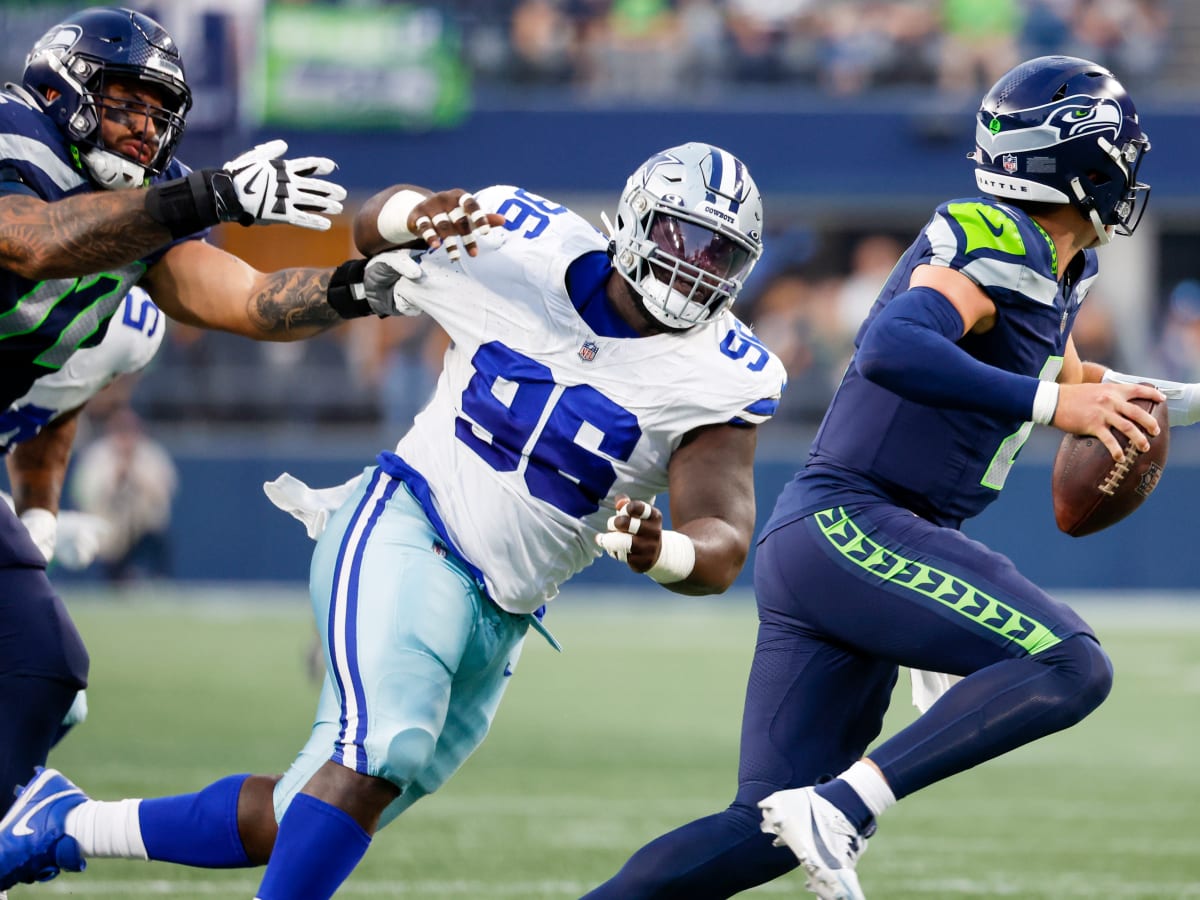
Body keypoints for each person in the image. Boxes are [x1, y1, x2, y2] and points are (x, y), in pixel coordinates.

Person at [0, 141, 786, 899]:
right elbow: (370, 225)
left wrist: (665, 549)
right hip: (409, 524)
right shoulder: (522, 240)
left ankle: (62, 822)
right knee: (381, 752)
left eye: (721, 254)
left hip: (504, 612)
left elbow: (722, 544)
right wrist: (419, 214)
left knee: (304, 812)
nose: (697, 266)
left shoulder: (719, 371)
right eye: (687, 238)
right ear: (635, 219)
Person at [582, 55, 1200, 900]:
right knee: (1071, 664)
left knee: (757, 830)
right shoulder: (992, 238)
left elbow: (1100, 393)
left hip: (834, 543)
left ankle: (804, 815)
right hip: (857, 526)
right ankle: (842, 807)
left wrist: (1142, 402)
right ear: (1078, 160)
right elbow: (896, 347)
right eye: (1121, 147)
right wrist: (1054, 409)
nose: (1133, 165)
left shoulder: (1051, 269)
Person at [0, 3, 459, 836]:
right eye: (124, 103)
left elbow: (247, 300)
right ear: (63, 85)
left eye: (157, 114)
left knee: (44, 674)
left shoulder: (133, 211)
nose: (143, 130)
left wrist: (362, 287)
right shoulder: (13, 136)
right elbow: (27, 240)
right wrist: (204, 192)